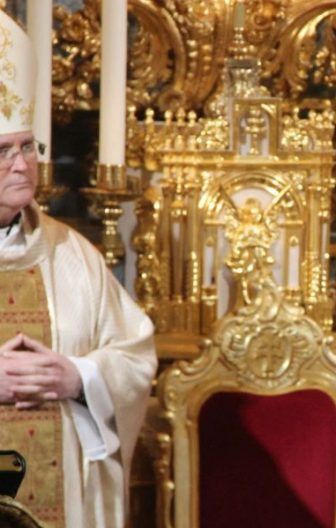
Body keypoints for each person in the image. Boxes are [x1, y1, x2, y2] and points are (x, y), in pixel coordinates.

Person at [0, 12, 156, 528]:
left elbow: (133, 357)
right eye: (3, 152)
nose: (21, 165)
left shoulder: (72, 254)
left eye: (27, 147)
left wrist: (79, 376)